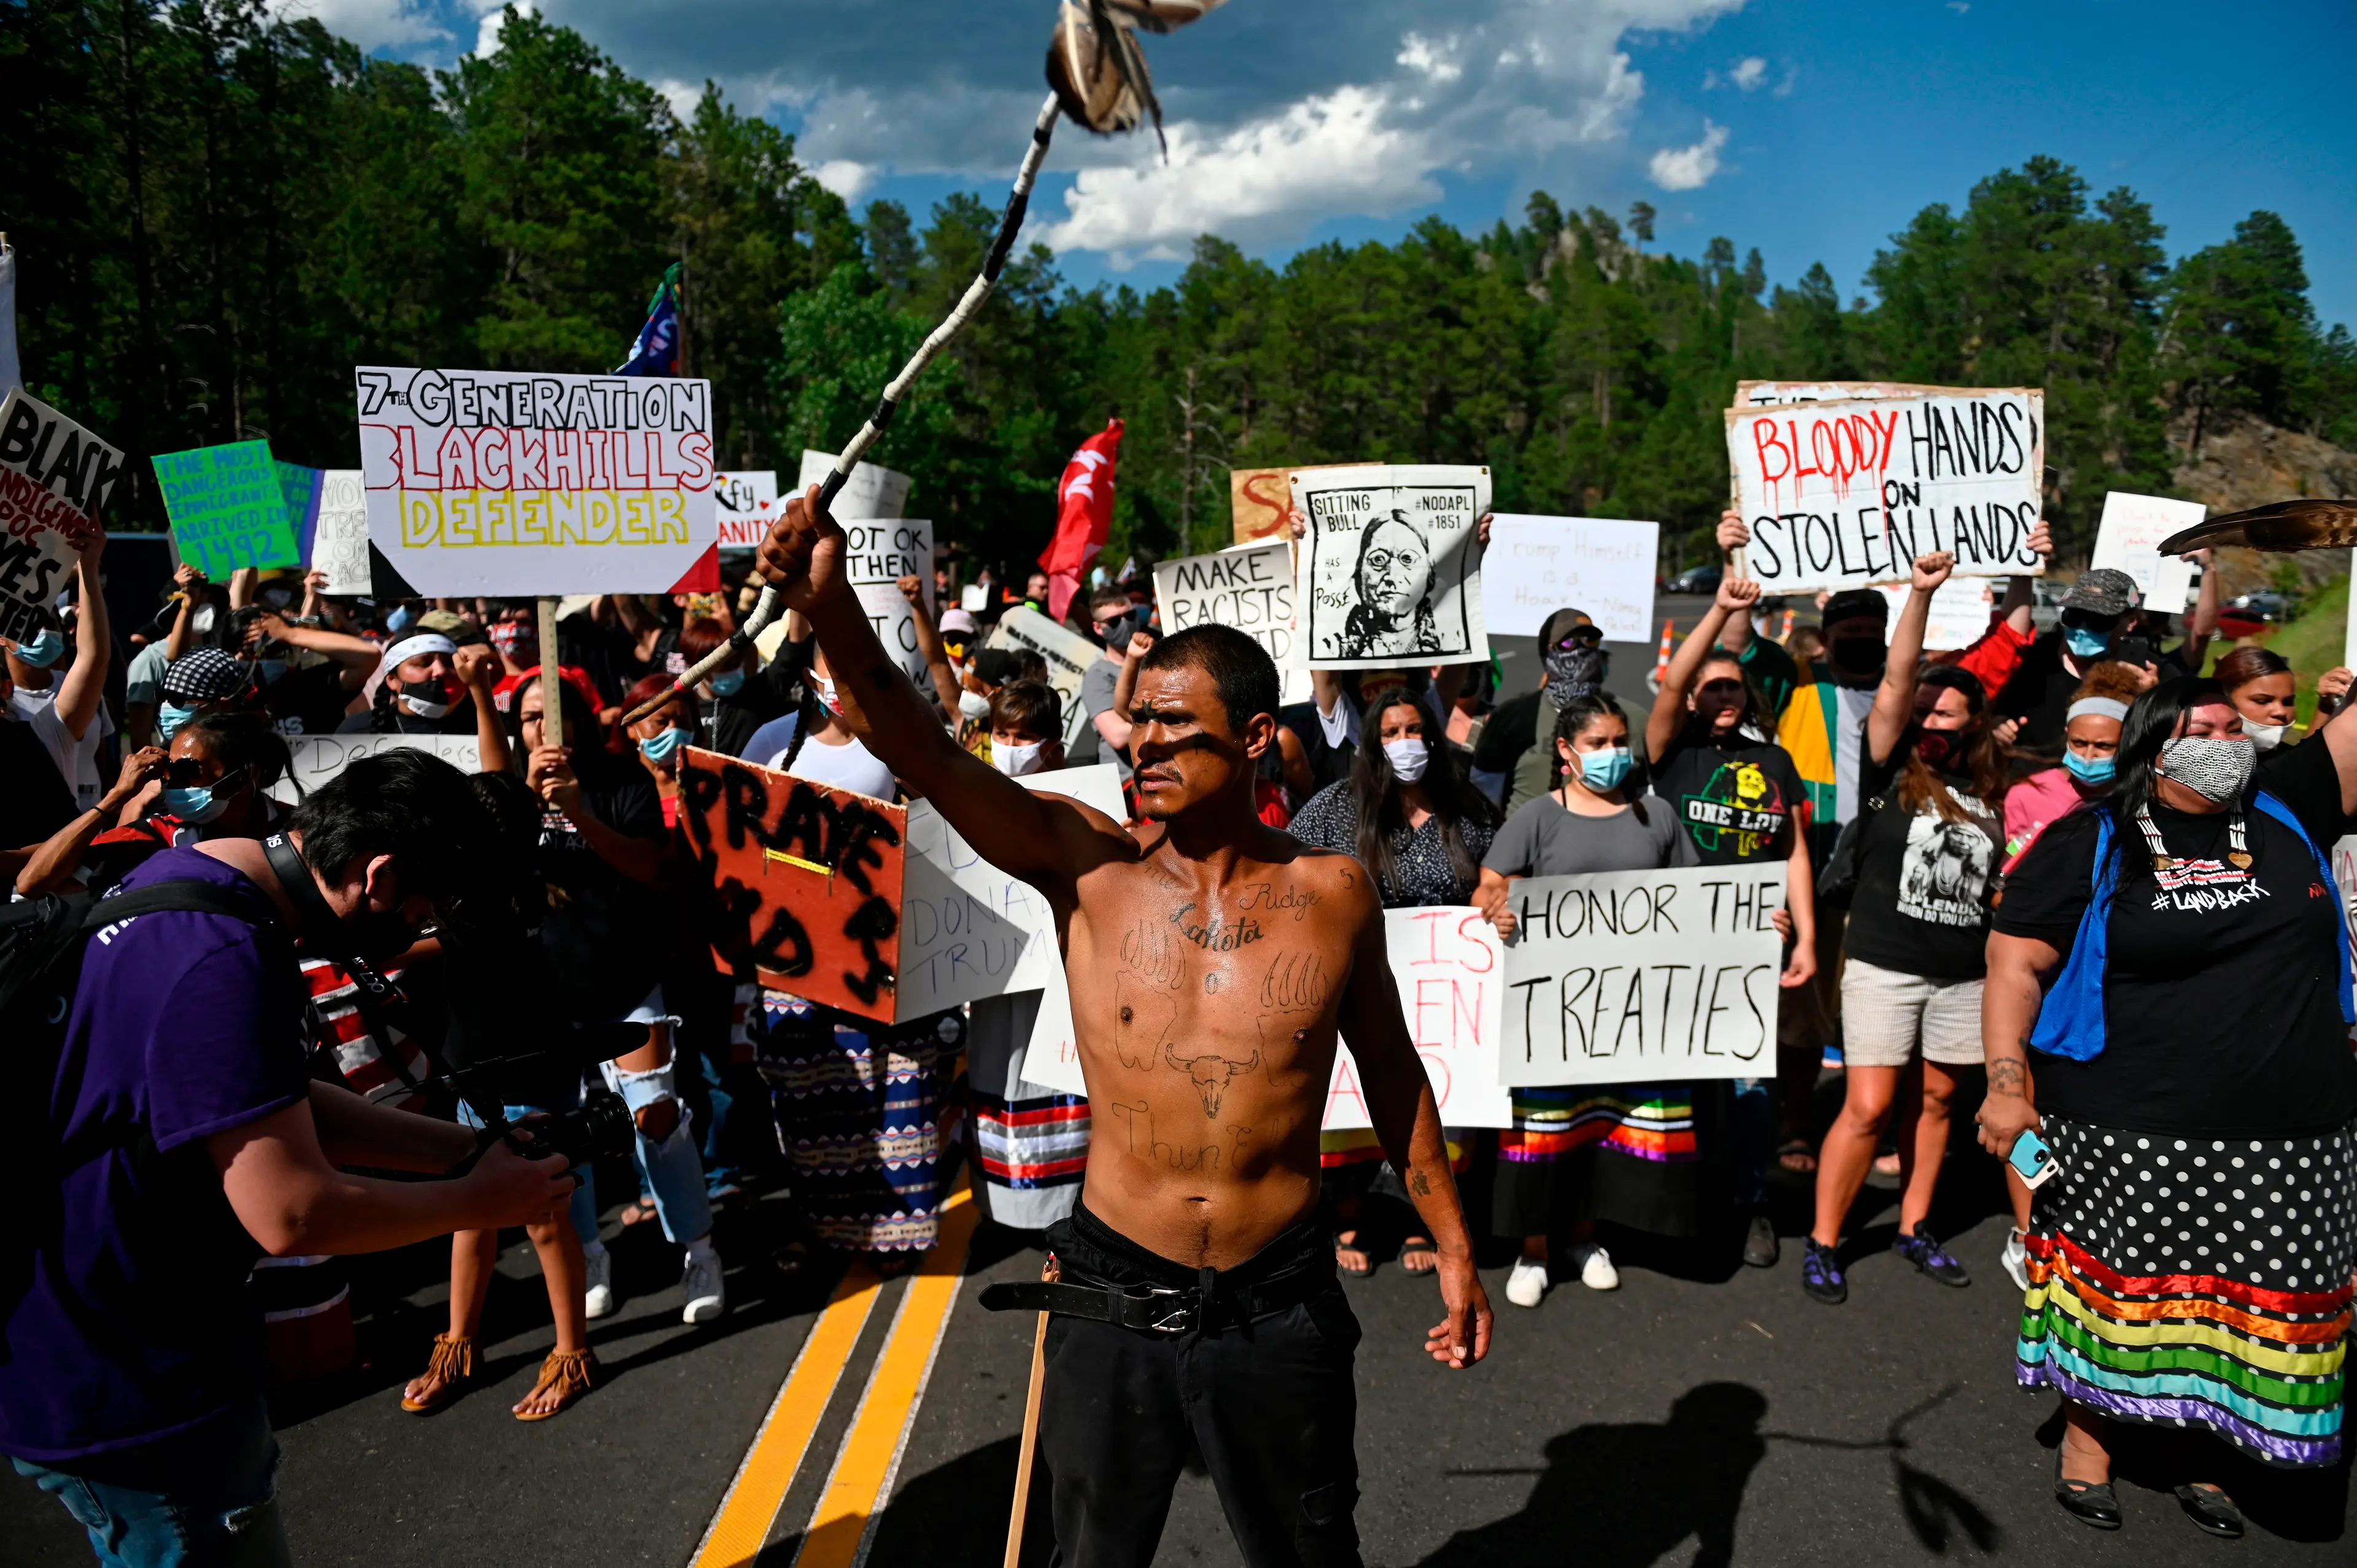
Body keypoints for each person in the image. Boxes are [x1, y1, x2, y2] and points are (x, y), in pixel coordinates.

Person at [756, 482, 1488, 1568]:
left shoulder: (1335, 894)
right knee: (1093, 1554)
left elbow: (1391, 1070)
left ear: (1250, 740)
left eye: (1170, 727)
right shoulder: (1084, 866)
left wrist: (1455, 1239)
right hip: (1111, 1291)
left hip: (1277, 1302)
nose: (1137, 742)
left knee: (1311, 1550)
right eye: (1134, 718)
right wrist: (829, 610)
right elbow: (924, 752)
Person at [2, 751, 578, 1566]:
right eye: (428, 905)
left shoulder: (190, 875)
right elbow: (292, 1210)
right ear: (378, 877)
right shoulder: (225, 958)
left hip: (80, 1340)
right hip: (136, 1378)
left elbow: (266, 1099)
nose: (424, 927)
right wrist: (480, 1201)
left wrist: (464, 1149)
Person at [1982, 676, 2357, 1534]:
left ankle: (2204, 1446)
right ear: (2156, 744)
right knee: (2124, 1295)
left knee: (2242, 1303)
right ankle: (2089, 1442)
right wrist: (2006, 1080)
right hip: (2131, 1125)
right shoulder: (2093, 837)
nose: (2230, 739)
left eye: (2237, 726)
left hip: (2293, 1129)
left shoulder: (2288, 802)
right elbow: (2014, 962)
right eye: (2206, 727)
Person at [1802, 552, 2004, 1307]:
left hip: (1963, 973)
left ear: (1972, 723)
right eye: (1921, 712)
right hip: (1886, 966)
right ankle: (1826, 1239)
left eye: (1944, 714)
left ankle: (1914, 1225)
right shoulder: (1889, 771)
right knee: (1871, 1106)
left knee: (1941, 1101)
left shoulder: (1989, 786)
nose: (1928, 722)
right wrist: (1922, 594)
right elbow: (1894, 681)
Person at [1475, 692, 1694, 1308]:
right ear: (1567, 752)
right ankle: (1535, 1249)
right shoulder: (1538, 817)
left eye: (1620, 741)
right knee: (1548, 1131)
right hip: (1552, 1011)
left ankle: (1586, 1239)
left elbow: (1699, 901)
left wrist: (1762, 926)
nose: (1613, 754)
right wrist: (1495, 911)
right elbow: (1487, 889)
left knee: (1604, 1124)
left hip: (1631, 1011)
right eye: (1598, 744)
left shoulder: (1658, 815)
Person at [1288, 687, 1500, 1278]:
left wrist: (1493, 894)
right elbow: (1293, 866)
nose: (1406, 743)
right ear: (1372, 743)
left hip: (1449, 989)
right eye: (1391, 732)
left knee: (1440, 1101)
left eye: (1415, 730)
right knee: (1356, 1097)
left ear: (1433, 736)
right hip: (1363, 978)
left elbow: (1498, 872)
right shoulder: (1338, 807)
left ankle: (1419, 1218)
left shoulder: (1469, 808)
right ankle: (1349, 1213)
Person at [1645, 574, 1819, 1268]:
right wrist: (1722, 611)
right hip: (1679, 938)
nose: (1723, 696)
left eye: (1734, 688)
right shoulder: (1672, 754)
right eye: (1711, 686)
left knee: (1750, 1086)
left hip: (1754, 941)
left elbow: (1794, 851)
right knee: (1680, 1078)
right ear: (1694, 696)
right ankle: (1678, 1204)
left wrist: (1804, 934)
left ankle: (1752, 1205)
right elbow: (1665, 689)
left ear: (1749, 699)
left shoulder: (1774, 760)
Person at [964, 681, 1094, 1231]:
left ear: (1054, 747)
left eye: (1026, 737)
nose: (1012, 746)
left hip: (1061, 985)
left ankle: (1076, 1208)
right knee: (1002, 1072)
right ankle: (1009, 1204)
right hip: (996, 979)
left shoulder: (1082, 808)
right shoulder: (970, 801)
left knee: (1061, 1083)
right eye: (1003, 734)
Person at [1992, 560, 2218, 760]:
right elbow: (1989, 708)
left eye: (2098, 620)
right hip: (2030, 788)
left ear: (2130, 621)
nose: (2081, 628)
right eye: (2074, 616)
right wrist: (1997, 724)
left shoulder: (2151, 672)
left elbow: (2184, 742)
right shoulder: (2033, 659)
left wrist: (2151, 702)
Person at [1472, 610, 1657, 814]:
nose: (1581, 649)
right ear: (1547, 654)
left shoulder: (1634, 718)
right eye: (1567, 643)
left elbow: (1648, 797)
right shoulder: (1513, 717)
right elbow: (1483, 798)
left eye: (1590, 640)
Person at [4, 534, 113, 814]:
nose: (42, 631)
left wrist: (88, 568)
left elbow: (94, 660)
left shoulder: (45, 731)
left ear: (4, 689)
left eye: (48, 622)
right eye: (29, 624)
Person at [2212, 644, 2355, 754]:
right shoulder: (2201, 767)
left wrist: (2326, 706)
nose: (2281, 712)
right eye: (2263, 701)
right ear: (2224, 700)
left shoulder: (2284, 762)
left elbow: (2305, 766)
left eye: (2288, 702)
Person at [1337, 511, 1442, 658]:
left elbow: (1451, 682)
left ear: (1429, 570)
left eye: (1407, 559)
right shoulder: (1334, 645)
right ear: (1360, 571)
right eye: (1378, 559)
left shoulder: (1449, 640)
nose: (1392, 576)